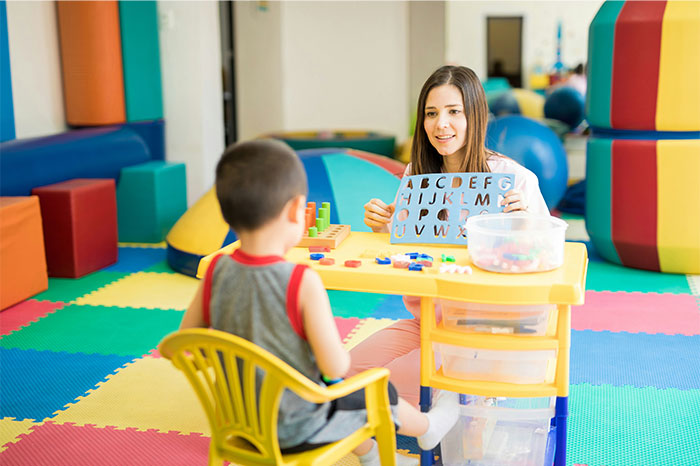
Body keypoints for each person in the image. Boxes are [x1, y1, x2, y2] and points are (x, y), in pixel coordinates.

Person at [177, 139, 460, 466]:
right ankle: (429, 427)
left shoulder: (215, 270)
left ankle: (373, 457)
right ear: (296, 210)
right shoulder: (300, 280)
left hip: (236, 422)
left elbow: (187, 343)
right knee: (372, 391)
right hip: (298, 428)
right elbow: (335, 368)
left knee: (333, 392)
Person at [350, 65, 550, 406]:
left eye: (454, 111)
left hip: (485, 332)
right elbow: (408, 246)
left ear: (476, 116)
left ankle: (474, 403)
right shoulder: (417, 176)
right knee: (343, 375)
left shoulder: (515, 179)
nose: (441, 124)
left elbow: (547, 264)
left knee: (387, 391)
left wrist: (525, 228)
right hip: (426, 320)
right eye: (431, 113)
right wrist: (383, 225)